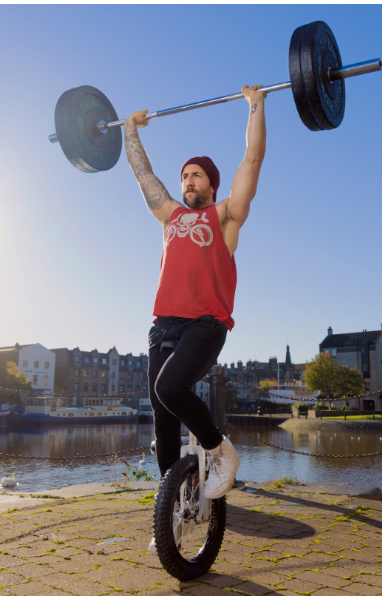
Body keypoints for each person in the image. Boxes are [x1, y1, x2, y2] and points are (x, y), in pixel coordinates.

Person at [125, 85, 267, 506]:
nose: (188, 181)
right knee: (163, 421)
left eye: (196, 175)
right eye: (185, 175)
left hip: (206, 323)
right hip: (163, 324)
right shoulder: (170, 215)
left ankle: (221, 451)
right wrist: (130, 129)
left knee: (171, 388)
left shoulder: (224, 218)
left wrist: (255, 105)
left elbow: (252, 160)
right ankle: (175, 511)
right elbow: (142, 173)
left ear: (211, 184)